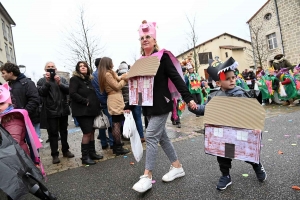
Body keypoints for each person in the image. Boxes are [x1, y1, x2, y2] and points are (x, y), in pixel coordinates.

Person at [131, 20, 197, 193]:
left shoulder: (163, 56)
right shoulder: (140, 61)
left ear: (154, 40)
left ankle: (147, 175)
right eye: (142, 37)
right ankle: (177, 167)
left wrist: (188, 98)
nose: (145, 39)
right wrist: (130, 106)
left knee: (151, 135)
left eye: (148, 37)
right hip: (148, 106)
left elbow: (176, 77)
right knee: (162, 138)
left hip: (162, 103)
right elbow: (136, 86)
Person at [189, 57, 267, 191]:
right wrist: (195, 108)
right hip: (225, 135)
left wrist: (255, 127)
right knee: (224, 155)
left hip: (240, 132)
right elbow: (208, 110)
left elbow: (252, 112)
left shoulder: (242, 94)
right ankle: (225, 175)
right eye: (228, 78)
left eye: (233, 77)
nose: (232, 80)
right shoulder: (214, 96)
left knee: (246, 152)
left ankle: (257, 165)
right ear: (219, 82)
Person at [37, 61, 74, 164]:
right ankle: (55, 154)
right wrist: (47, 82)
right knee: (53, 134)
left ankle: (66, 150)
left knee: (64, 131)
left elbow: (69, 91)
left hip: (63, 109)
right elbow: (41, 93)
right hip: (50, 111)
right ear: (45, 69)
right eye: (48, 67)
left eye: (52, 67)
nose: (50, 68)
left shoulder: (61, 79)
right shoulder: (41, 81)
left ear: (56, 68)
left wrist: (60, 84)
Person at [69, 61, 103, 165]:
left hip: (92, 110)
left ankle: (92, 153)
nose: (83, 68)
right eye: (80, 66)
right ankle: (85, 157)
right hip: (82, 111)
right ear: (77, 69)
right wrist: (85, 101)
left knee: (92, 131)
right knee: (87, 133)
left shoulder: (89, 80)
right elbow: (72, 93)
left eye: (84, 66)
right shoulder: (74, 79)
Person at [0, 63, 42, 142]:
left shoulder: (28, 83)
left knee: (32, 143)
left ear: (11, 73)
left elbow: (34, 99)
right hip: (16, 119)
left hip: (29, 119)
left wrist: (24, 113)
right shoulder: (9, 85)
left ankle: (35, 155)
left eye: (3, 73)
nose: (2, 75)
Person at [98, 57, 130, 155]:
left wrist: (124, 76)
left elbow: (118, 79)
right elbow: (117, 86)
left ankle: (117, 146)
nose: (113, 63)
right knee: (116, 124)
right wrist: (126, 79)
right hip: (114, 99)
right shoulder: (107, 74)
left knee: (117, 123)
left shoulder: (109, 73)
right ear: (108, 63)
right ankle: (118, 147)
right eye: (111, 62)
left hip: (116, 99)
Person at [117, 61, 145, 142]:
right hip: (137, 99)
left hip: (126, 101)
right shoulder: (133, 75)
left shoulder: (119, 77)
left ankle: (128, 135)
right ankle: (141, 136)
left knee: (127, 119)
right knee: (138, 119)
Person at [91, 58, 114, 150]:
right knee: (111, 123)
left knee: (102, 124)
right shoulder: (103, 74)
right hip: (106, 102)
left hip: (98, 102)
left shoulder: (93, 75)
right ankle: (112, 143)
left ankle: (104, 143)